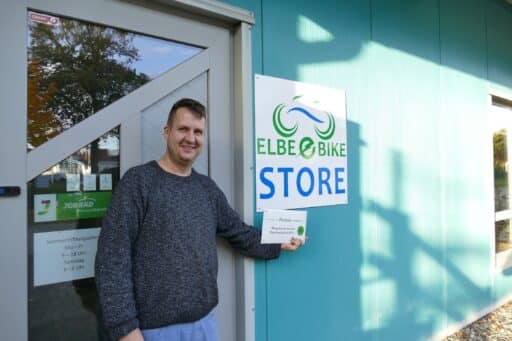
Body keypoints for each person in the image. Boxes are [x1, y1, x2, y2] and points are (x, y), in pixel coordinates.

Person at [95, 98, 303, 341]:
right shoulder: (139, 182)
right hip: (151, 332)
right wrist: (125, 330)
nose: (190, 138)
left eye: (198, 132)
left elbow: (238, 232)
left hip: (205, 326)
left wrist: (278, 241)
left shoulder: (207, 188)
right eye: (183, 129)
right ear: (167, 132)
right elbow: (111, 258)